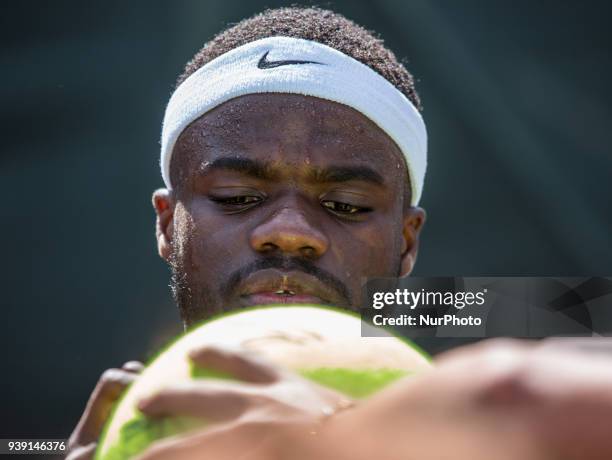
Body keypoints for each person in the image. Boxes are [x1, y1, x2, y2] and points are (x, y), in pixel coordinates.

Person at [67, 7, 612, 460]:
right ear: (167, 223)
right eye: (237, 197)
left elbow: (525, 380)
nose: (288, 232)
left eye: (345, 205)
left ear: (407, 242)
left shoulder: (479, 319)